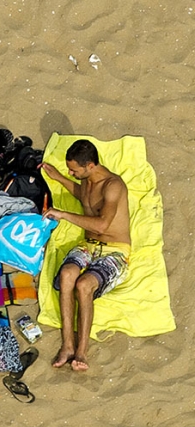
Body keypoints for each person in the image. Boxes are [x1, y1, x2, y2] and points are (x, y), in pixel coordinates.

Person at [40, 139, 131, 372]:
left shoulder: (113, 185)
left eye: (74, 170)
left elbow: (102, 224)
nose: (72, 173)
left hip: (115, 250)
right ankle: (67, 346)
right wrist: (59, 177)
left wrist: (63, 214)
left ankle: (81, 351)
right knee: (67, 274)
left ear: (90, 165)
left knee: (83, 285)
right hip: (88, 245)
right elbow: (83, 195)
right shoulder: (87, 180)